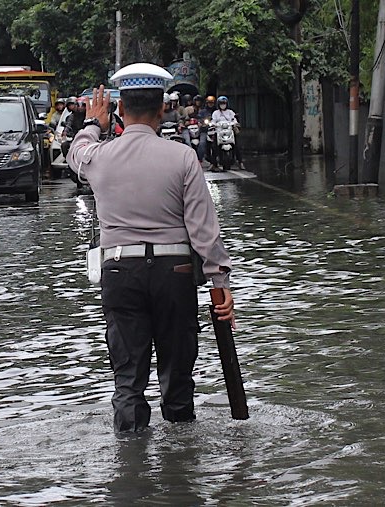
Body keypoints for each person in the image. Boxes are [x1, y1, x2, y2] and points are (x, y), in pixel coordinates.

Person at [66, 63, 235, 433]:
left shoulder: (99, 156)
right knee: (178, 385)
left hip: (120, 274)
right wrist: (220, 283)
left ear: (121, 111)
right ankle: (181, 472)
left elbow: (75, 152)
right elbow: (204, 229)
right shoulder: (183, 158)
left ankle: (130, 472)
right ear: (163, 110)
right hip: (174, 275)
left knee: (128, 383)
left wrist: (95, 122)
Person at [211, 96, 244, 169]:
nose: (223, 105)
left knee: (237, 146)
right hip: (219, 132)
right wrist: (213, 124)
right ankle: (213, 163)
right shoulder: (216, 113)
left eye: (224, 103)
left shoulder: (230, 112)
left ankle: (240, 162)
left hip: (229, 131)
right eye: (221, 103)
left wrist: (235, 123)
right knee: (214, 147)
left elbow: (234, 119)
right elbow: (213, 121)